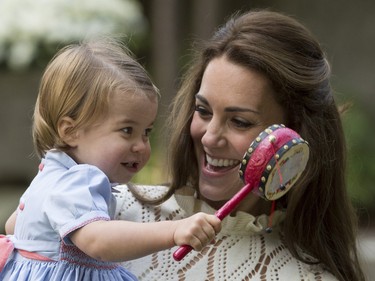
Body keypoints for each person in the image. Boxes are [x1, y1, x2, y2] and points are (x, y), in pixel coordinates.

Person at [114, 10, 366, 281]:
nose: (210, 137)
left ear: (293, 139)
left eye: (240, 122)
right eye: (203, 110)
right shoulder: (107, 212)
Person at [0, 39, 221, 281]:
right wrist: (175, 230)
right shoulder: (79, 179)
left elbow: (14, 226)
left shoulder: (49, 174)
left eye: (146, 132)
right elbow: (98, 241)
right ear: (70, 131)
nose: (141, 145)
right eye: (127, 130)